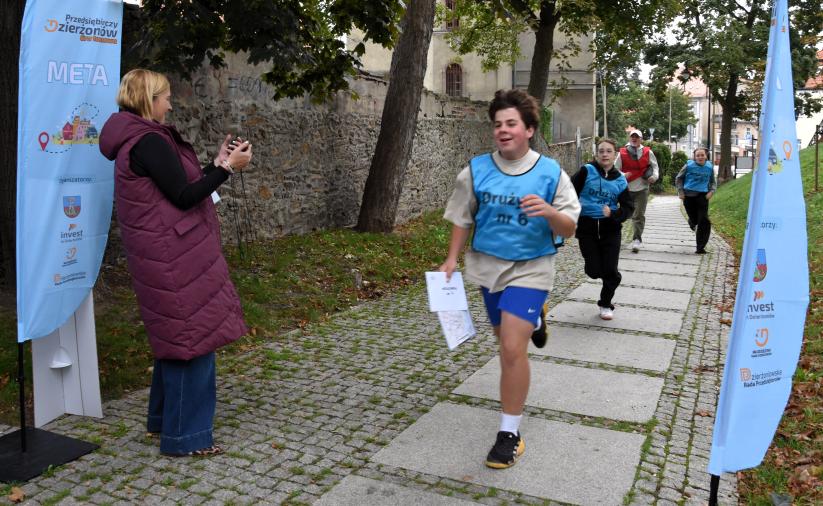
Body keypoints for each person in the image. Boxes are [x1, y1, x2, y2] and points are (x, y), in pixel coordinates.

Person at [99, 69, 252, 456]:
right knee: (192, 339)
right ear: (149, 99)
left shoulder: (137, 139)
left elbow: (177, 188)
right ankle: (186, 437)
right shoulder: (148, 140)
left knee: (175, 336)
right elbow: (185, 197)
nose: (170, 102)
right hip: (174, 256)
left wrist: (217, 164)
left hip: (166, 253)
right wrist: (228, 168)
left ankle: (163, 421)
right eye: (165, 96)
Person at [439, 89, 579, 469]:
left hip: (532, 268)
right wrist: (451, 259)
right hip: (489, 268)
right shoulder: (475, 170)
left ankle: (509, 433)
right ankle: (535, 316)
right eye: (498, 124)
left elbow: (568, 228)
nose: (503, 130)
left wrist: (550, 212)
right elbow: (461, 216)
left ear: (529, 129)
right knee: (504, 341)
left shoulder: (551, 173)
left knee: (512, 350)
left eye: (511, 123)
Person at [571, 138, 634, 320]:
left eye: (608, 151)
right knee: (593, 271)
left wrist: (614, 214)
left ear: (615, 155)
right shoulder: (586, 171)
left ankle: (605, 304)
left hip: (610, 229)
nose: (605, 154)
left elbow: (629, 207)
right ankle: (598, 271)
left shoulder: (620, 180)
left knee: (610, 272)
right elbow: (568, 191)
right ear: (596, 154)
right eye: (601, 151)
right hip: (587, 228)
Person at [614, 129, 658, 252]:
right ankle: (615, 239)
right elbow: (615, 169)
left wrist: (654, 176)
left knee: (638, 215)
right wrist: (623, 175)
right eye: (632, 137)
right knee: (622, 214)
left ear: (640, 139)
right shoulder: (622, 153)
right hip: (625, 189)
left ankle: (636, 240)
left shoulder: (647, 152)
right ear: (629, 138)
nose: (634, 139)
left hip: (642, 188)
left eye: (637, 137)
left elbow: (655, 166)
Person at [675, 147, 716, 254]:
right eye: (698, 155)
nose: (700, 157)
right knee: (695, 219)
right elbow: (679, 178)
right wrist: (681, 192)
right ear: (695, 157)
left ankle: (700, 247)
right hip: (688, 196)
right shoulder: (688, 166)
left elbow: (713, 181)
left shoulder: (709, 167)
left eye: (702, 155)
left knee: (704, 221)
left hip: (703, 196)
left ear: (706, 156)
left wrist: (711, 191)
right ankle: (692, 221)